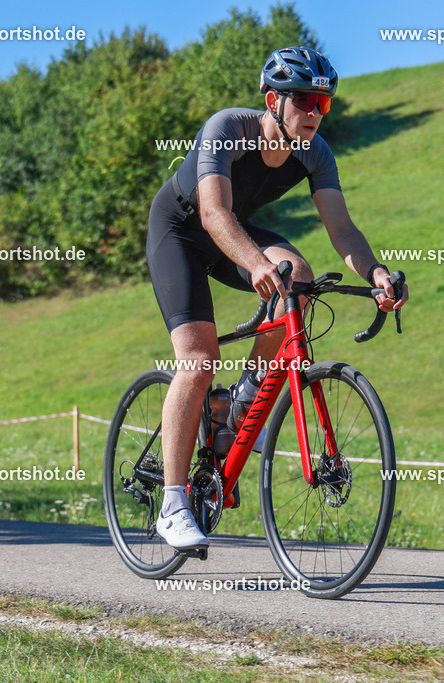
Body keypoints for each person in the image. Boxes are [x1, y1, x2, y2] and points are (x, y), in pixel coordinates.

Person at [146, 46, 408, 550]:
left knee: (302, 278)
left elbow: (342, 230)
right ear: (273, 100)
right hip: (181, 229)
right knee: (199, 361)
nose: (314, 113)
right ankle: (174, 503)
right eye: (305, 101)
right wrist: (259, 263)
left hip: (232, 230)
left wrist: (376, 273)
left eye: (323, 104)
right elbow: (213, 215)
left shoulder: (317, 153)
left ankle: (243, 404)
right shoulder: (227, 129)